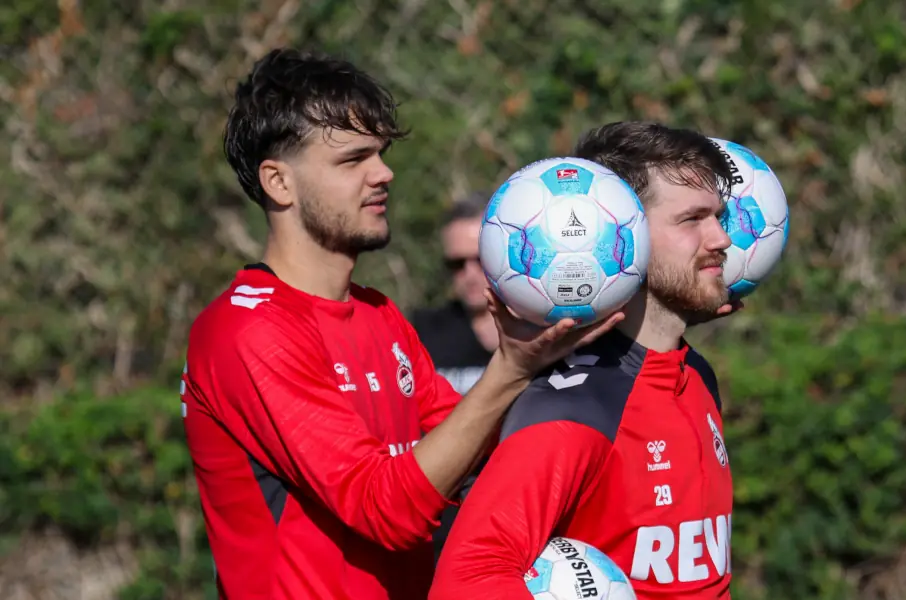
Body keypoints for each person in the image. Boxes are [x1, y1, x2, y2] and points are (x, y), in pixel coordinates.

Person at [179, 48, 621, 600]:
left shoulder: (379, 314)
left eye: (381, 154)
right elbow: (385, 510)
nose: (383, 173)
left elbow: (473, 455)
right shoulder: (247, 331)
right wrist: (509, 369)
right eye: (352, 159)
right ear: (279, 182)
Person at [430, 121, 742, 599]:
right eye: (692, 219)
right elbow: (467, 579)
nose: (720, 238)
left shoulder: (695, 372)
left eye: (717, 216)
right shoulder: (574, 407)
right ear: (625, 234)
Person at [409, 192, 498, 560]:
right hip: (441, 543)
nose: (469, 275)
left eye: (481, 260)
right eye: (456, 264)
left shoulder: (548, 334)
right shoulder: (420, 334)